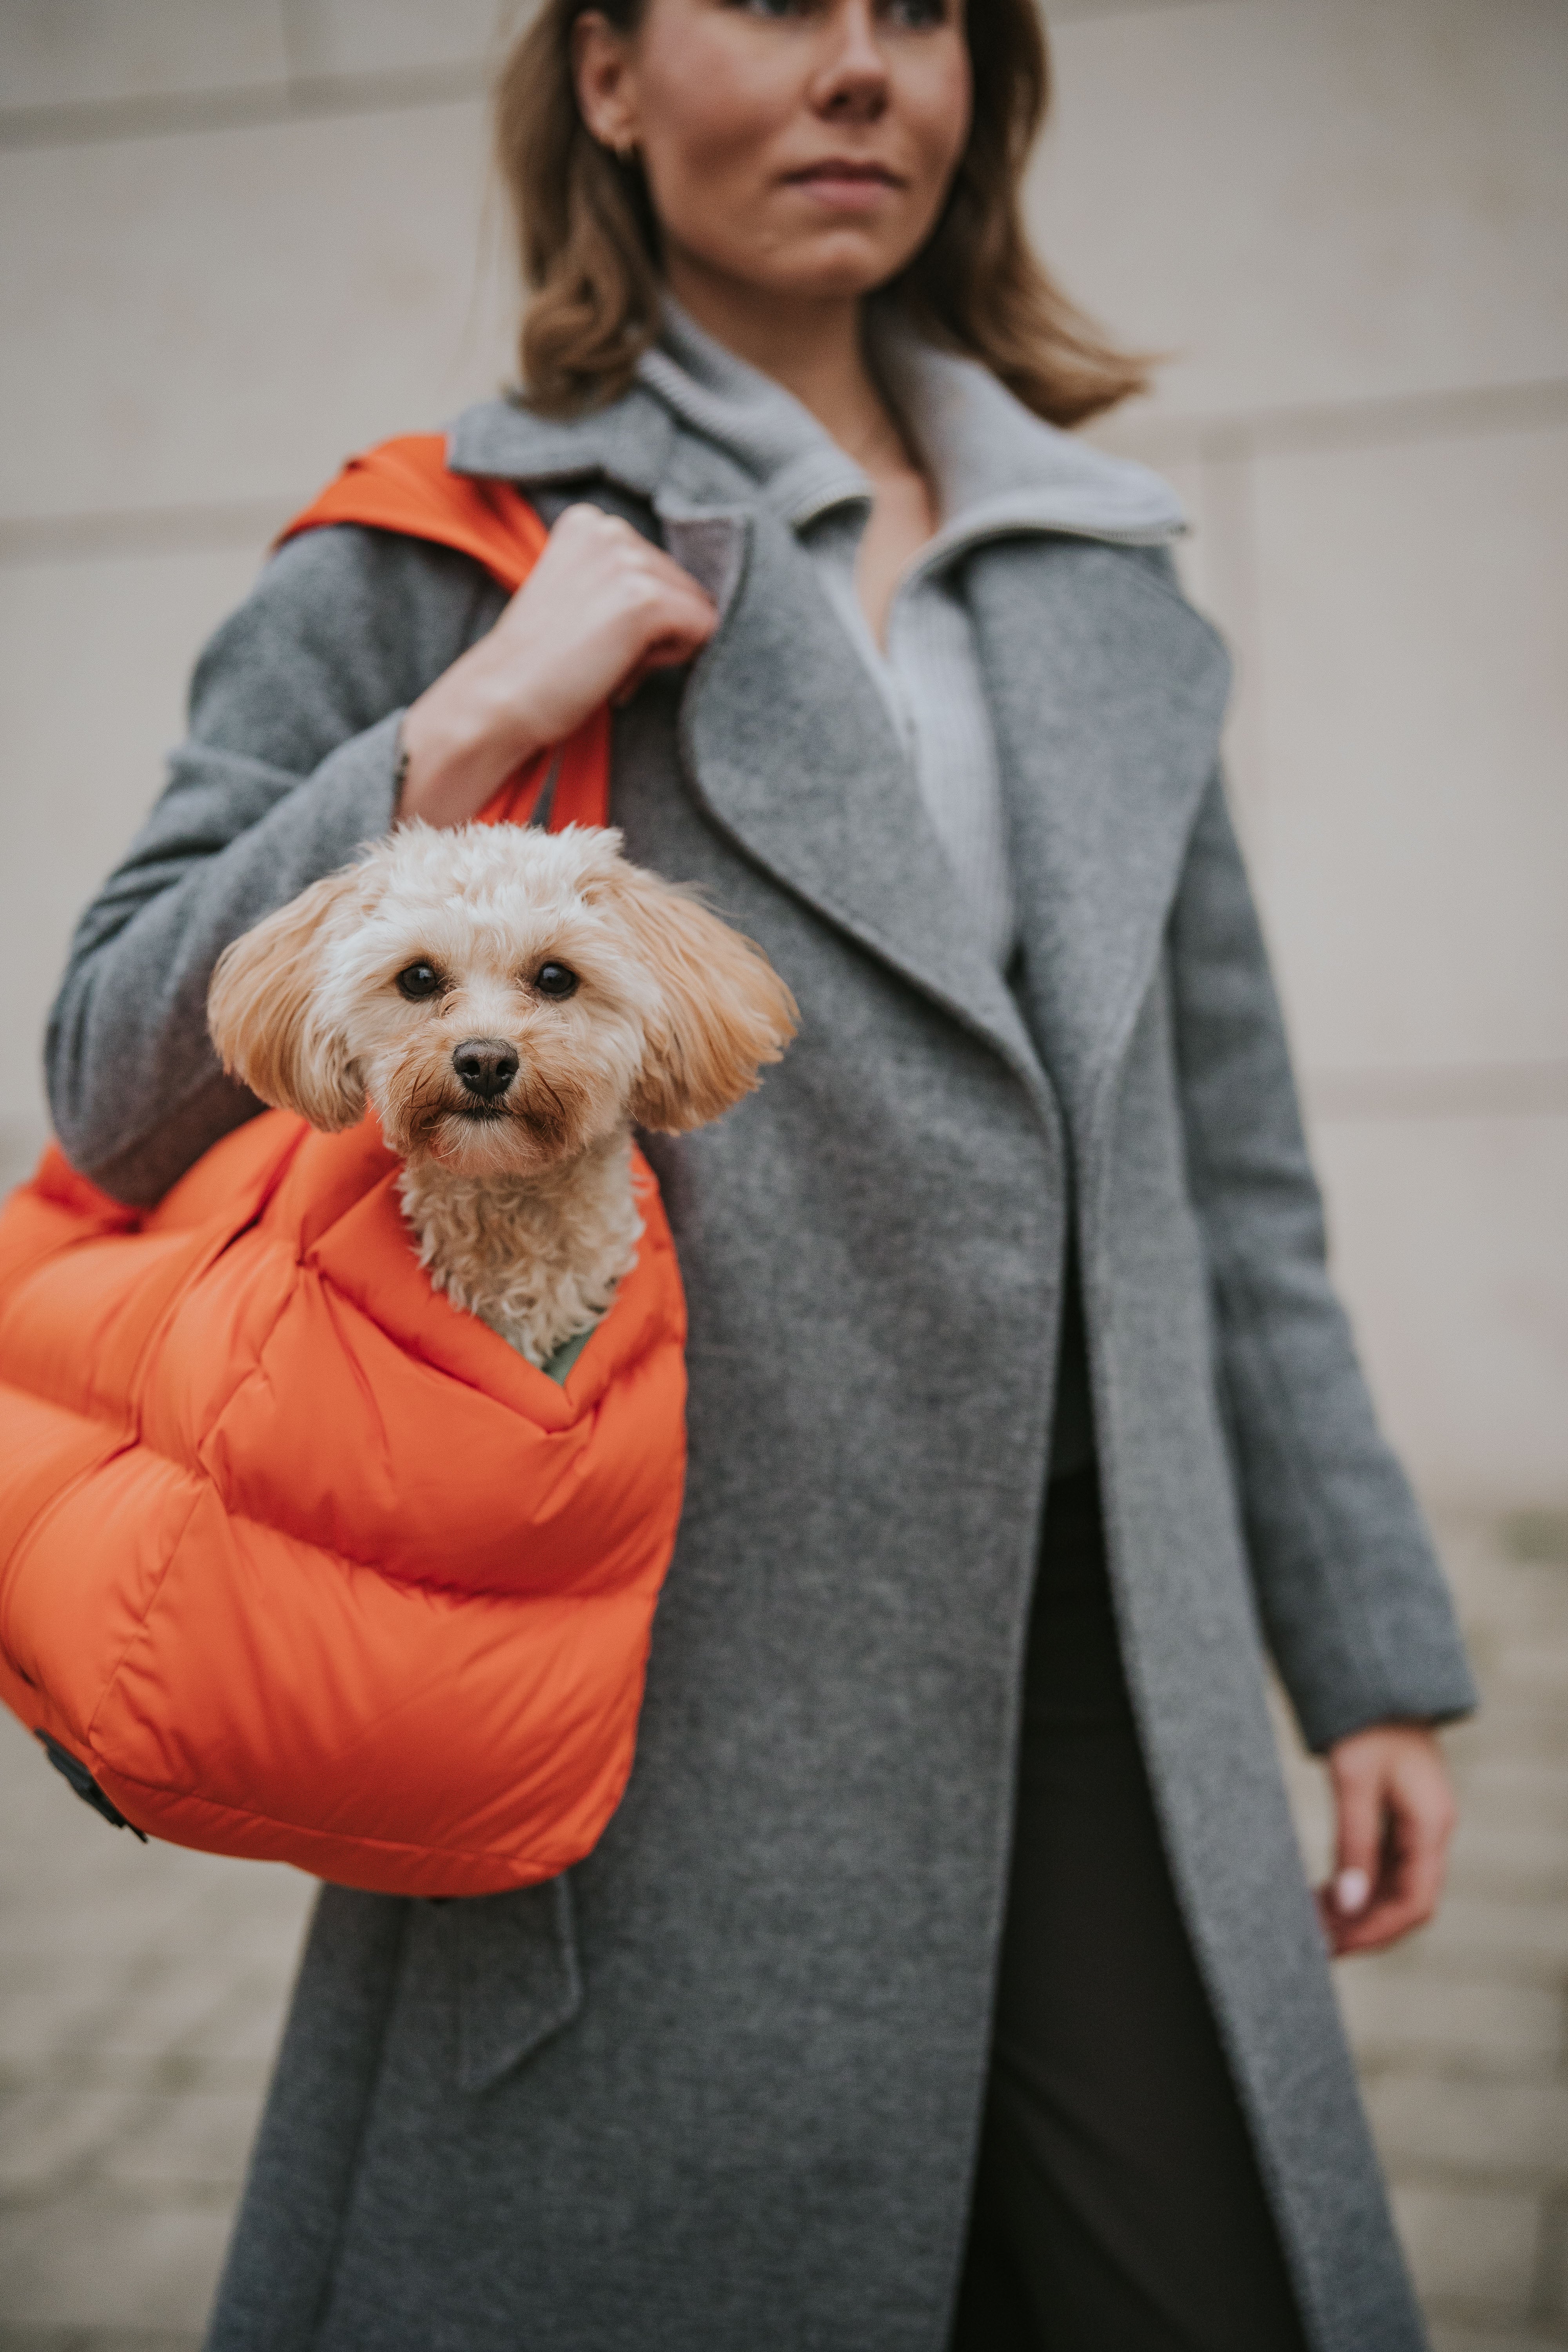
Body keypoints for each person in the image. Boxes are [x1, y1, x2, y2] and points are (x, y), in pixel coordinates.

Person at [46, 4, 1475, 2347]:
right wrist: (469, 721)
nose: (857, 74)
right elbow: (112, 1071)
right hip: (661, 1701)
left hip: (1109, 1655)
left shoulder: (1101, 575)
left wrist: (1366, 1650)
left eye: (918, 15)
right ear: (605, 76)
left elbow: (1223, 1166)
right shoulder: (447, 542)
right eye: (778, 1)